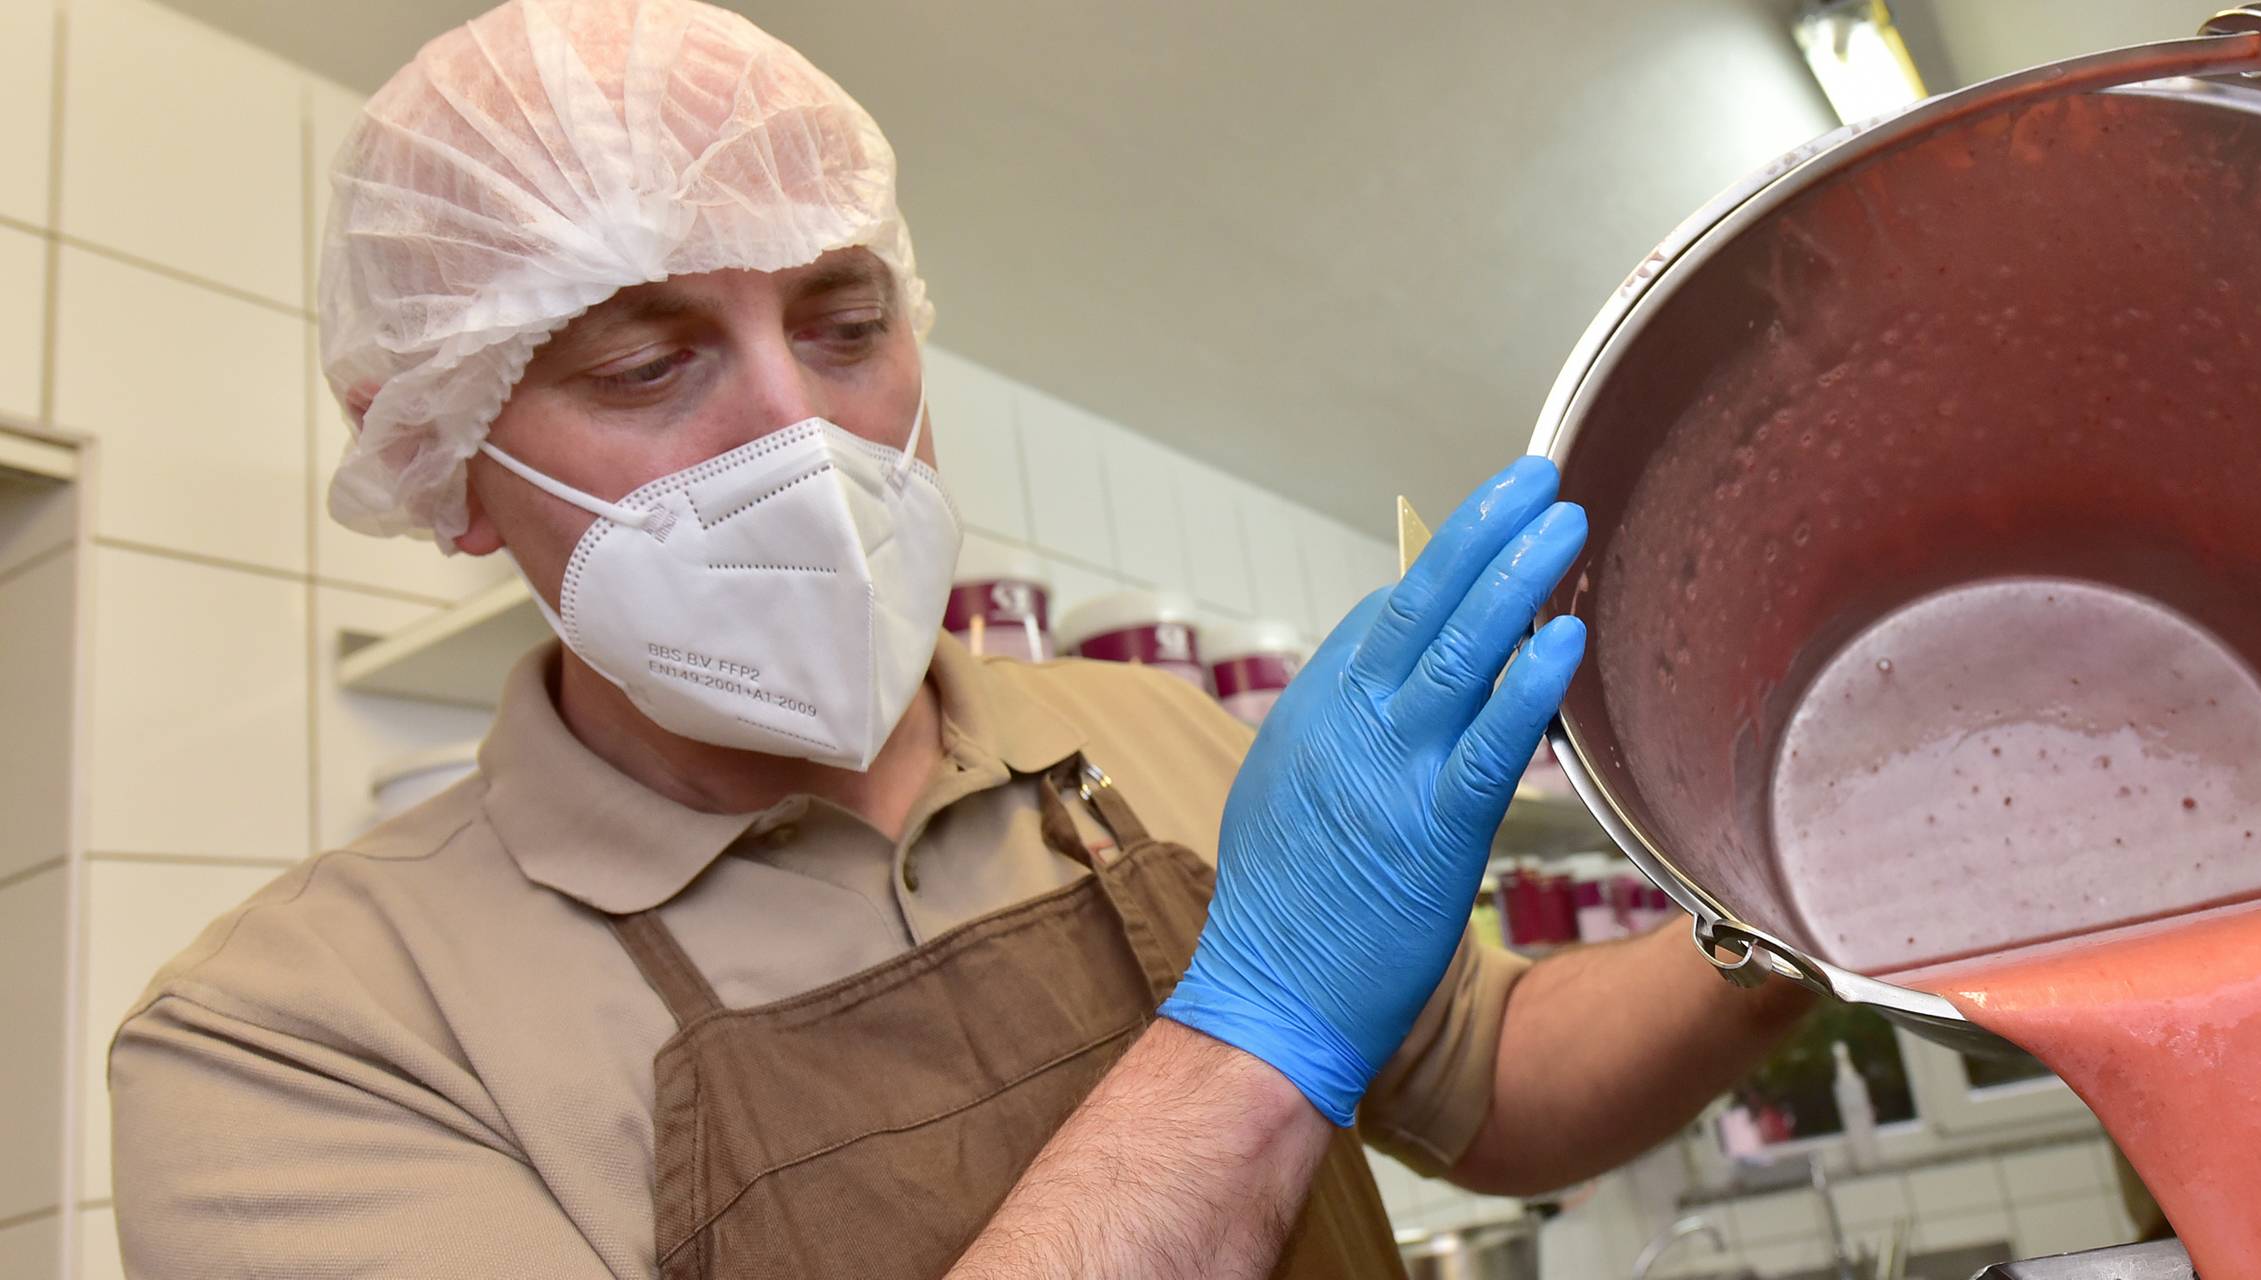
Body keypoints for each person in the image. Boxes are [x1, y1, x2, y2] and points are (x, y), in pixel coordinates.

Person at [106, 2, 1810, 1276]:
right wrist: (1260, 1021)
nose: (802, 433)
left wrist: (1803, 900)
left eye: (846, 324)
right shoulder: (297, 1041)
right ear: (447, 461)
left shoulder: (1152, 734)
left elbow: (1495, 1084)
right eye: (645, 363)